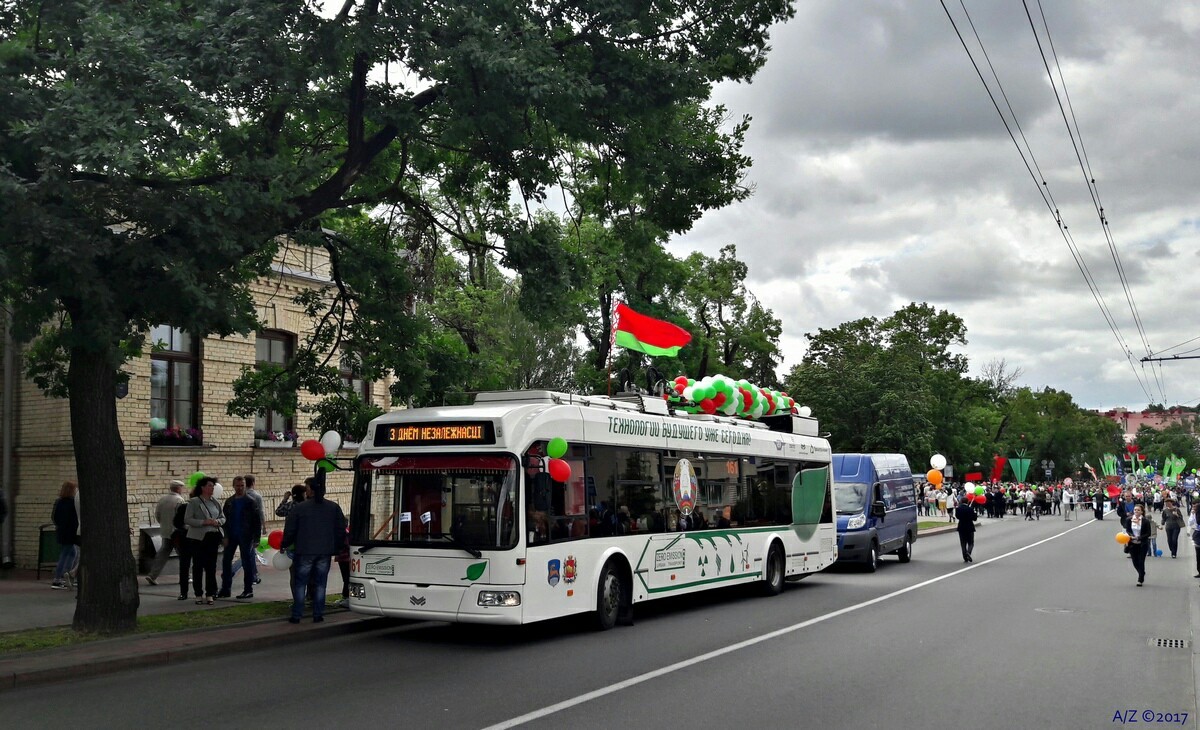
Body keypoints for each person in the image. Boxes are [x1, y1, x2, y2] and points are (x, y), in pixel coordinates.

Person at [282, 475, 346, 624]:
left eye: (308, 489)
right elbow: (341, 529)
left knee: (300, 583)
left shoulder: (300, 508)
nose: (306, 492)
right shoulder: (333, 507)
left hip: (304, 550)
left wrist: (285, 543)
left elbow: (290, 529)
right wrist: (337, 546)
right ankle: (318, 614)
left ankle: (297, 614)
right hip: (325, 551)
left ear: (311, 490)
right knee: (320, 583)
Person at [185, 476, 226, 604]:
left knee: (211, 566)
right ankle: (198, 594)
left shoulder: (215, 502)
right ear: (202, 487)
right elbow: (188, 519)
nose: (212, 488)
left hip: (213, 536)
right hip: (198, 538)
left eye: (213, 486)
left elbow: (223, 517)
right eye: (209, 485)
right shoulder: (194, 502)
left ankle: (210, 593)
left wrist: (217, 521)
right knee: (198, 566)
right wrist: (203, 522)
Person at [219, 476, 262, 600]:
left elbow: (256, 521)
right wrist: (225, 535)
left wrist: (257, 538)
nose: (240, 488)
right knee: (226, 561)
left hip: (246, 536)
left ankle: (248, 590)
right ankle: (225, 589)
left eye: (242, 485)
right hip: (231, 535)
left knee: (246, 562)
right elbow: (224, 520)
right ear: (233, 486)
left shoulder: (250, 501)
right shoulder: (229, 502)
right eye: (237, 486)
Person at [146, 480, 187, 586]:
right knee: (183, 554)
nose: (182, 490)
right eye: (182, 488)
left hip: (165, 531)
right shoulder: (180, 500)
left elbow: (157, 515)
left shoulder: (162, 499)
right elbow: (182, 517)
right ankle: (184, 577)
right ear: (178, 488)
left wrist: (164, 525)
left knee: (162, 554)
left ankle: (152, 575)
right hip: (177, 532)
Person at [50, 481, 79, 590]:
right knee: (67, 553)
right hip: (70, 532)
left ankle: (65, 575)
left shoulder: (59, 502)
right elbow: (74, 519)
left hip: (61, 531)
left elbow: (54, 517)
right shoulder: (72, 503)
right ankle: (58, 578)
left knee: (72, 552)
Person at [244, 474, 267, 580]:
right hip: (253, 527)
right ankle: (252, 575)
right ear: (253, 483)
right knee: (249, 552)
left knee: (249, 551)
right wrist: (264, 526)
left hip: (242, 526)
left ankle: (254, 573)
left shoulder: (240, 495)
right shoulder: (256, 496)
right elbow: (261, 512)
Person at [1122, 504, 1151, 586]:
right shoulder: (1129, 520)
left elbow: (1148, 533)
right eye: (1135, 510)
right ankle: (1142, 572)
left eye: (1138, 510)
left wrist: (1139, 537)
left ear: (1142, 511)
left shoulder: (1145, 521)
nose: (1136, 511)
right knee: (1135, 561)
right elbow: (1127, 530)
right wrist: (1131, 536)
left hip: (1142, 544)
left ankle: (1140, 579)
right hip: (1132, 544)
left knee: (1141, 561)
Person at [954, 493, 978, 563]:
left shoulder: (958, 509)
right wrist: (975, 513)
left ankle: (965, 557)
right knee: (971, 542)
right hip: (969, 526)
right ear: (967, 502)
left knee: (963, 543)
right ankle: (968, 552)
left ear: (961, 502)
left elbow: (957, 517)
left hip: (961, 526)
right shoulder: (970, 509)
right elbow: (974, 519)